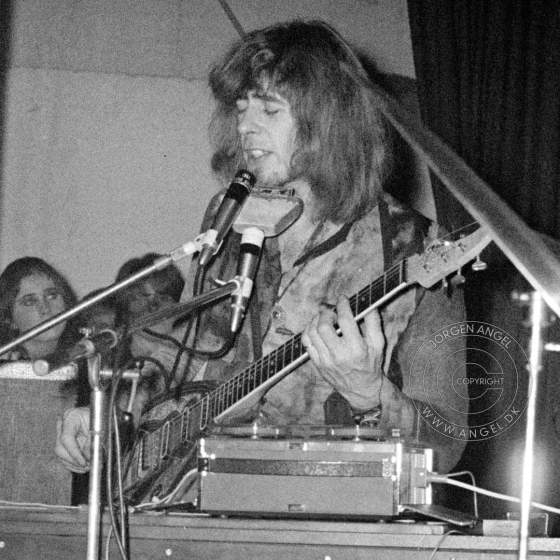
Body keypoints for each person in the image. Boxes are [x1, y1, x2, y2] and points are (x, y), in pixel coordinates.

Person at [55, 20, 468, 481]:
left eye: (270, 110)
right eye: (242, 108)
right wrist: (111, 418)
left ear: (328, 123)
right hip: (197, 495)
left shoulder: (415, 247)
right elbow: (185, 370)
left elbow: (448, 440)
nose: (246, 126)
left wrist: (372, 395)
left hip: (329, 505)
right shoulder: (229, 219)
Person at [0, 256, 80, 361]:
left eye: (52, 296)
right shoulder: (5, 364)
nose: (46, 309)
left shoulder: (82, 355)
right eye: (30, 302)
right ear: (10, 320)